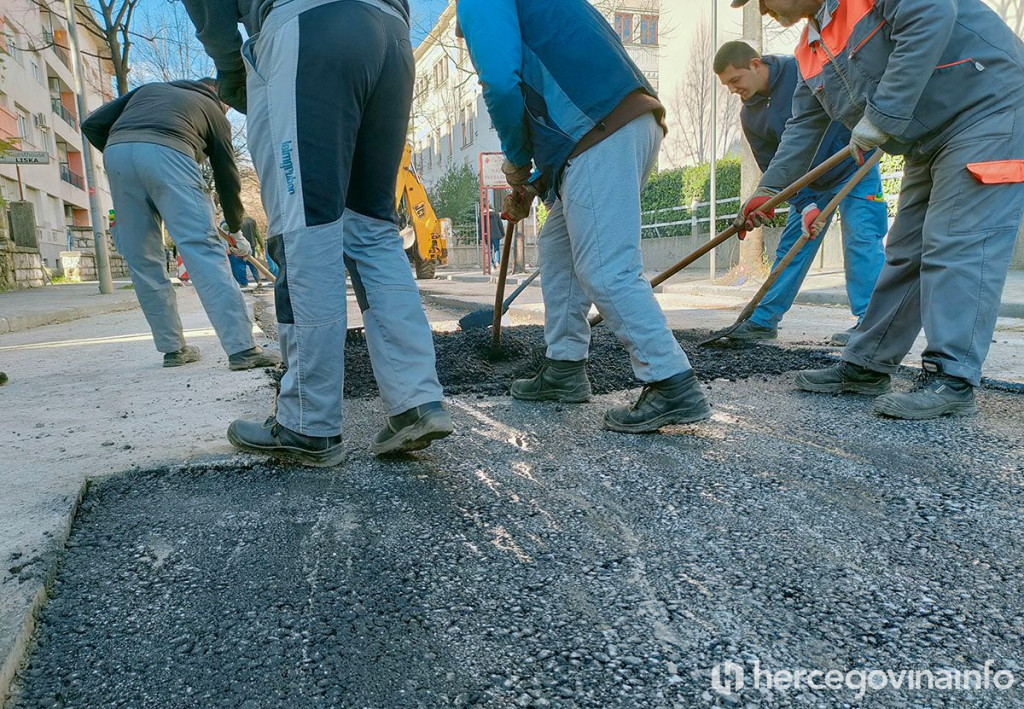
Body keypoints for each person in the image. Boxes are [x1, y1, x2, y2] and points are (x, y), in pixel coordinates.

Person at [182, 0, 453, 465]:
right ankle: (417, 402)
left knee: (305, 226)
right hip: (391, 35)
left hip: (311, 27)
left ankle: (308, 423)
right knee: (374, 232)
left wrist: (231, 65)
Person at [732, 0, 1024, 419]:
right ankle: (868, 364)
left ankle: (951, 377)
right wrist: (768, 191)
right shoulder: (811, 48)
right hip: (928, 137)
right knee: (906, 251)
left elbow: (932, 16)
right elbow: (803, 127)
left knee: (955, 241)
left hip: (988, 108)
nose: (762, 10)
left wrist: (882, 115)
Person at [456, 0, 711, 433]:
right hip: (617, 126)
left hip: (600, 132)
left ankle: (671, 382)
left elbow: (500, 83)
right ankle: (564, 368)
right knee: (558, 251)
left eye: (465, 35)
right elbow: (565, 107)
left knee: (607, 270)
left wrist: (517, 161)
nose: (467, 38)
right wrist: (535, 185)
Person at [81, 79, 279, 372]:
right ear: (219, 96)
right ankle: (242, 349)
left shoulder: (149, 90)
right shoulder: (213, 109)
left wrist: (126, 153)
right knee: (203, 251)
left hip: (117, 153)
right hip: (169, 153)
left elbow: (92, 124)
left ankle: (173, 349)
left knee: (143, 260)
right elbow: (227, 177)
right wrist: (235, 229)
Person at [714, 41, 887, 346]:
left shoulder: (802, 70)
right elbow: (772, 166)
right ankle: (762, 320)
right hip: (810, 186)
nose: (732, 90)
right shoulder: (750, 116)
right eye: (727, 85)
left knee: (862, 239)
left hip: (854, 165)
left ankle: (871, 326)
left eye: (735, 80)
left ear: (755, 64)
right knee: (791, 250)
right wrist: (804, 204)